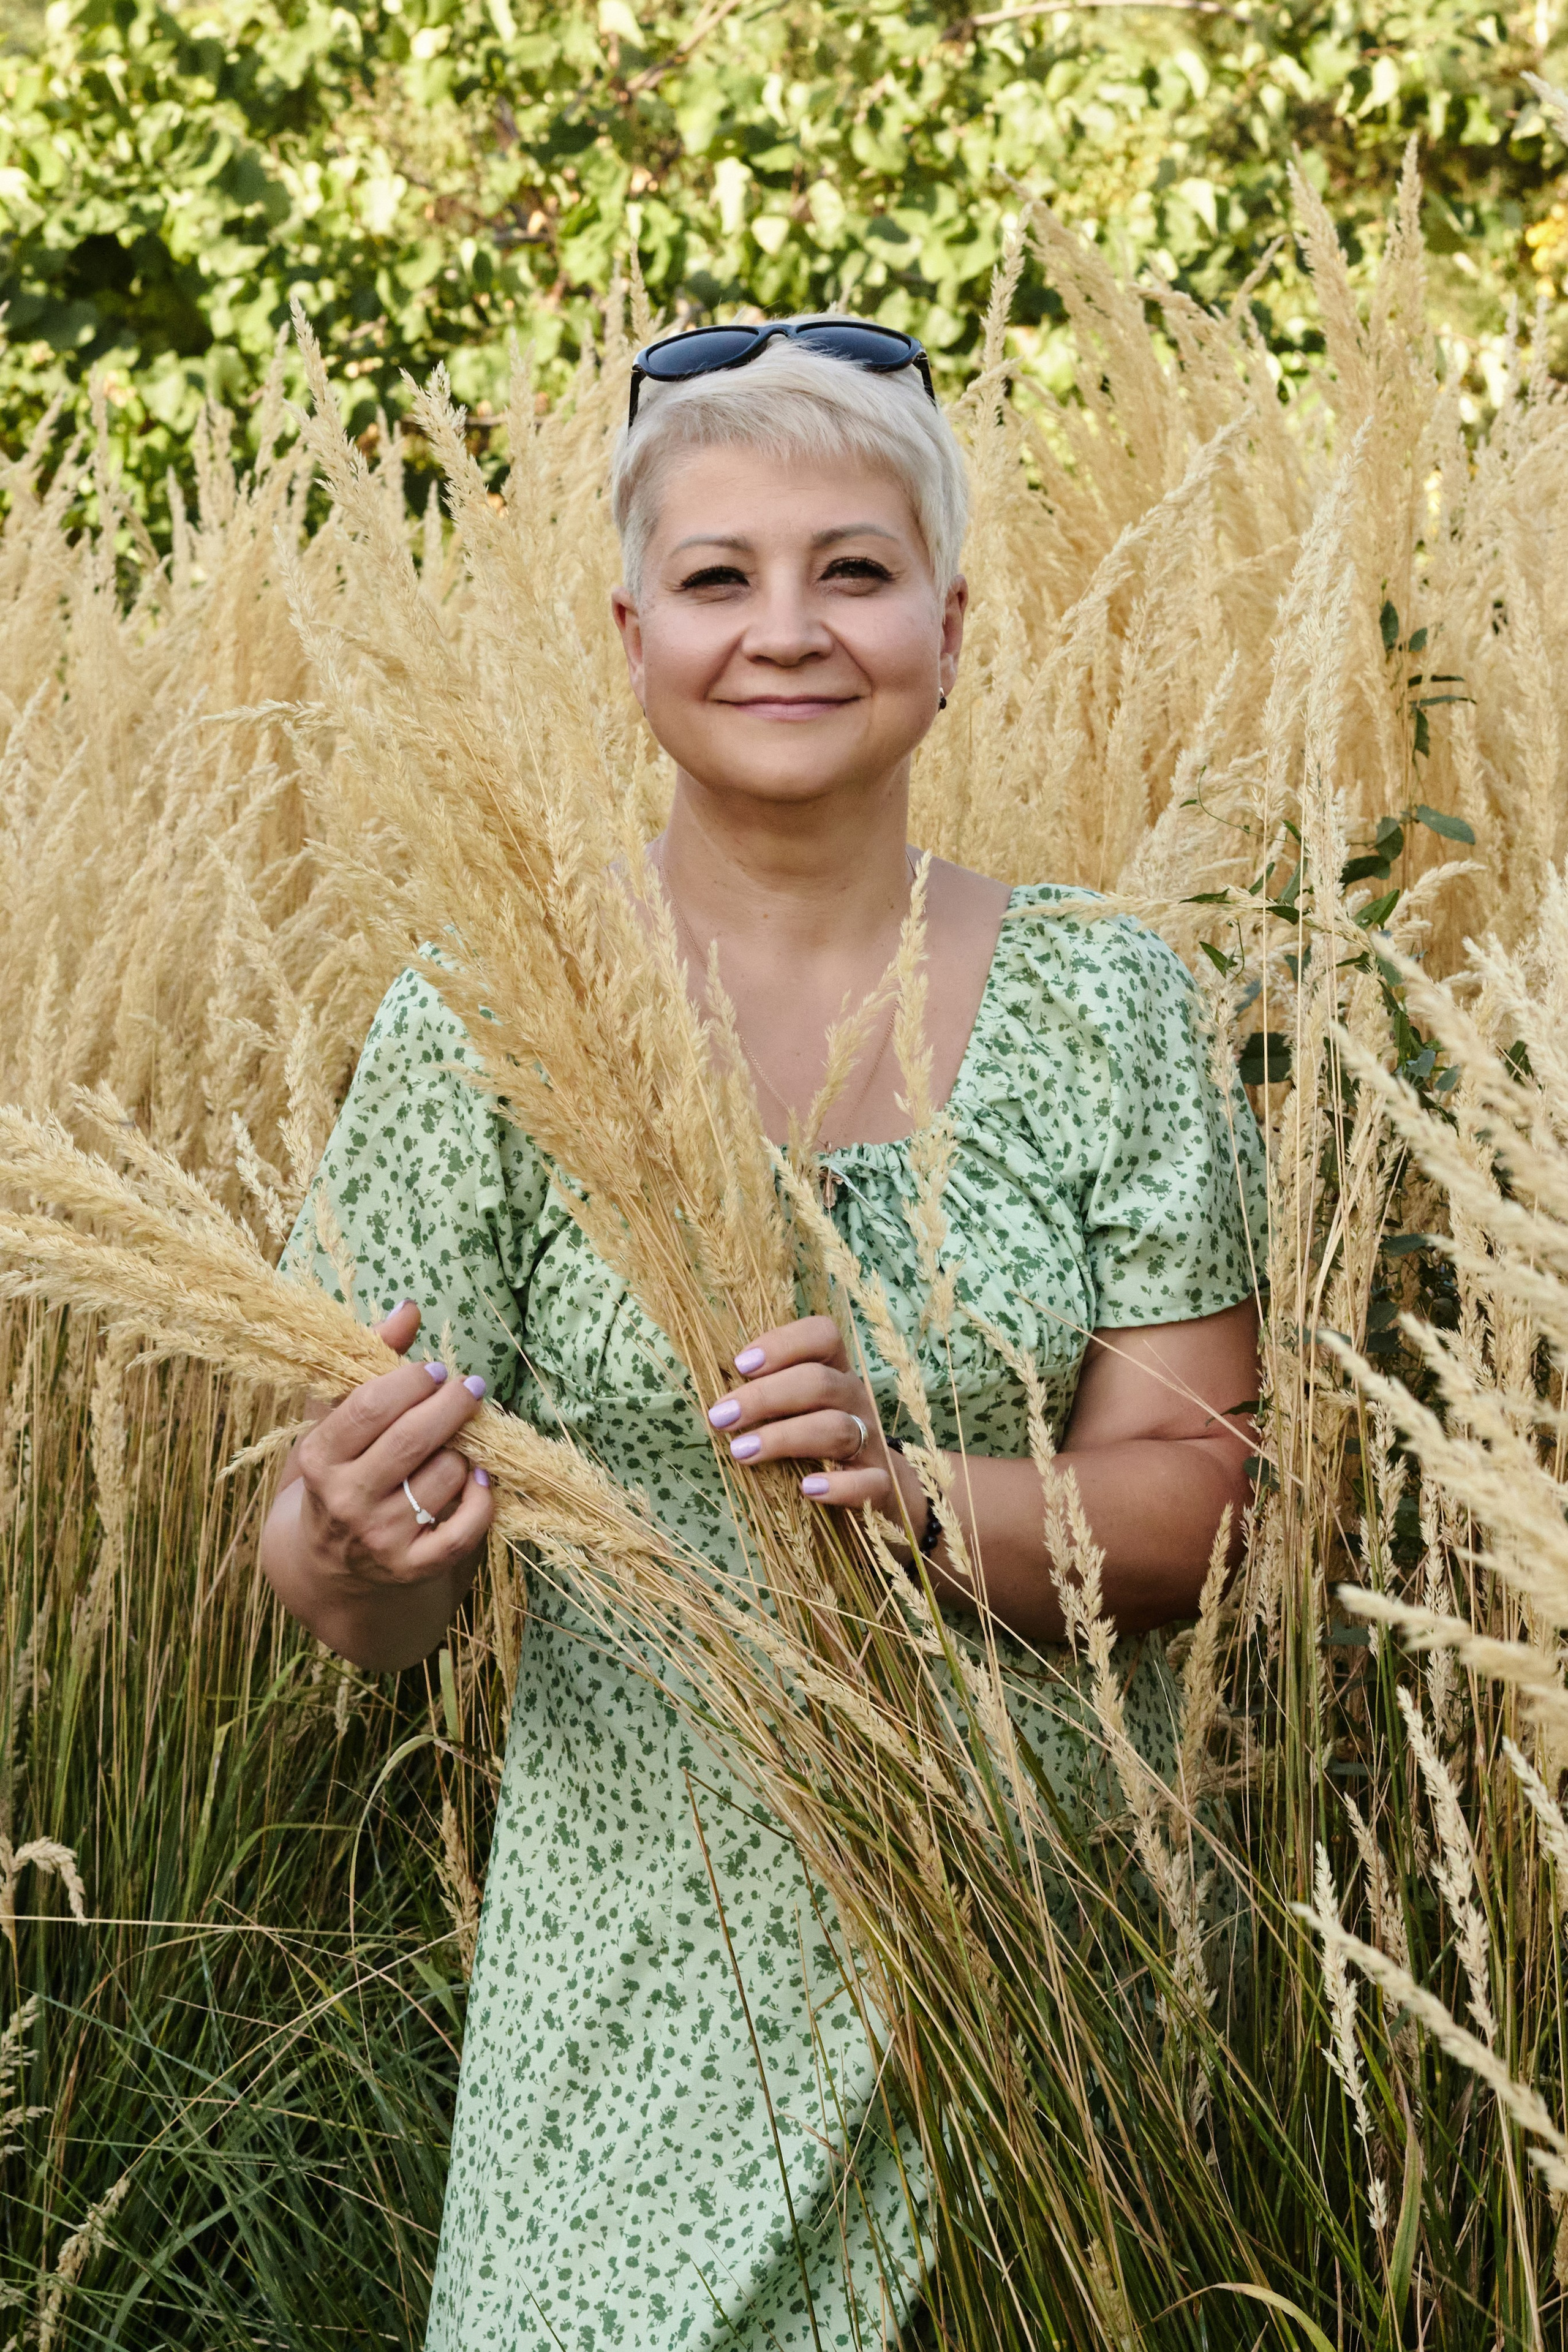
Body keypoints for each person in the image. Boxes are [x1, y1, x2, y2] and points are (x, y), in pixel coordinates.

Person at [262, 317, 1266, 2351]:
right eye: (718, 578)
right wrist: (354, 1544)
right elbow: (347, 1590)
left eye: (855, 570)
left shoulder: (1109, 1007)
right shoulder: (485, 1035)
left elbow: (1197, 1511)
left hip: (1028, 1986)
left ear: (952, 625)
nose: (786, 629)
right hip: (644, 1994)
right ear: (632, 634)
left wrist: (907, 1498)